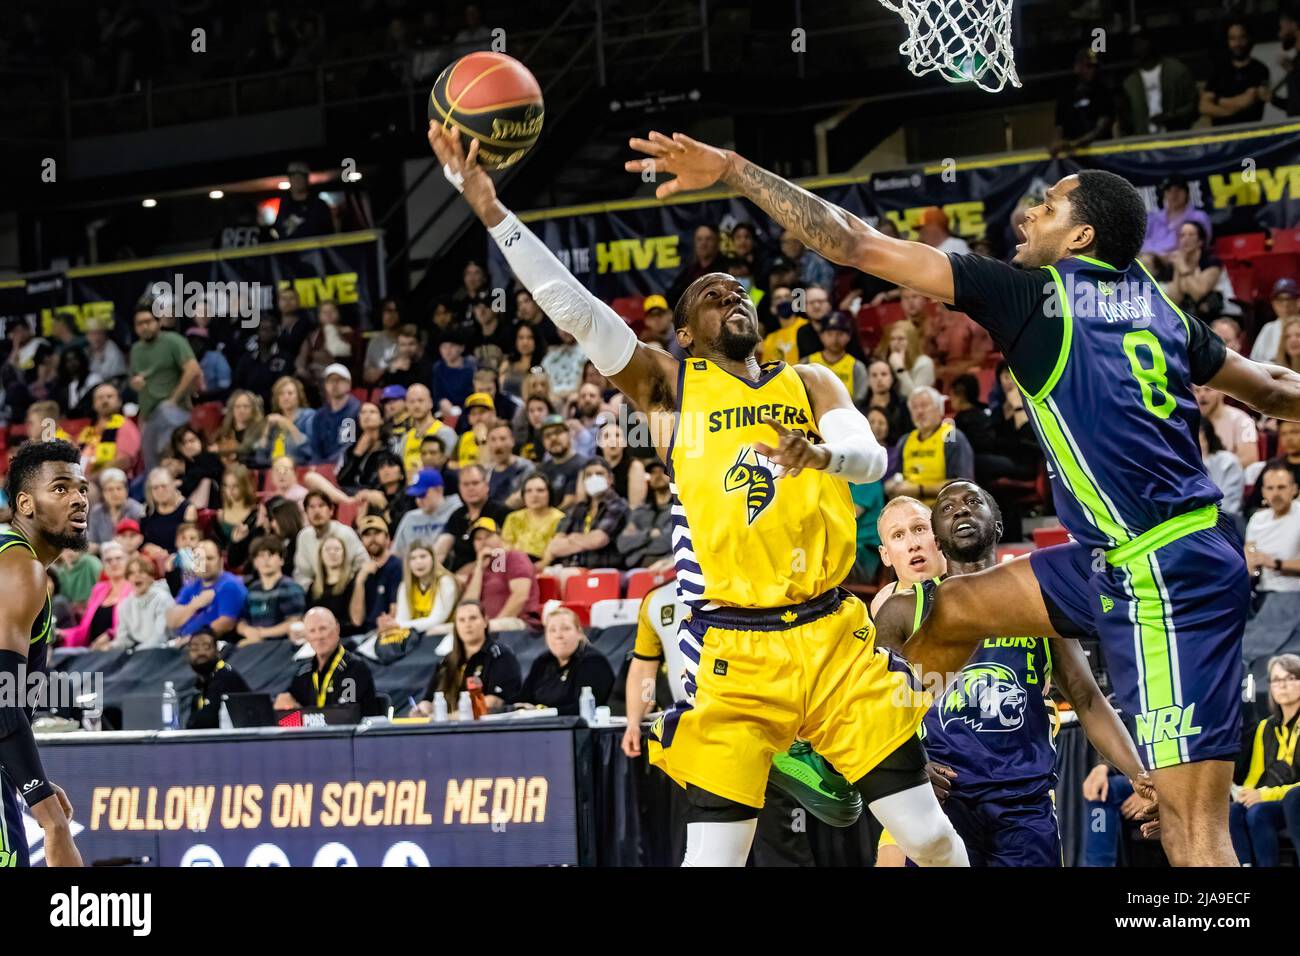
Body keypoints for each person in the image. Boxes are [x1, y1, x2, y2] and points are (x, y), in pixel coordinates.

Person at [629, 130, 1300, 865]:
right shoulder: (1160, 307)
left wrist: (732, 168)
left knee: (1192, 830)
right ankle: (869, 742)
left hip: (1172, 572)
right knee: (947, 609)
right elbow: (1272, 388)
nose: (1025, 216)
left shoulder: (1037, 296)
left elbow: (854, 240)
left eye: (1044, 206)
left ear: (1080, 235)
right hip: (1110, 555)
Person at [437, 123, 952, 869]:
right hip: (735, 651)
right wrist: (490, 210)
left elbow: (872, 461)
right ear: (683, 332)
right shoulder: (669, 387)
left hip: (833, 636)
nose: (731, 296)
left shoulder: (809, 380)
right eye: (712, 296)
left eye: (737, 291)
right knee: (711, 860)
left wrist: (823, 453)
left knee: (929, 837)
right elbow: (577, 312)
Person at [864, 481, 1152, 865]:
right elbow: (878, 710)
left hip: (1024, 805)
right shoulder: (902, 610)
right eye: (947, 508)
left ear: (998, 524)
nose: (962, 510)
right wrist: (909, 768)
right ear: (938, 537)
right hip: (946, 799)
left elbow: (1085, 698)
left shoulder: (1039, 605)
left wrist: (1138, 775)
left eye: (972, 502)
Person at [0, 441, 88, 867]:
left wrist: (33, 781)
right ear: (26, 504)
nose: (78, 498)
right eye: (60, 488)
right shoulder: (19, 567)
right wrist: (48, 814)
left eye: (82, 488)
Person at [1229, 653, 1300, 866]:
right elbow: (1256, 772)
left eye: (1290, 678)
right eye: (1277, 680)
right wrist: (1246, 793)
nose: (1283, 685)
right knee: (1234, 810)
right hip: (1271, 798)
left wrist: (1263, 795)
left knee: (1259, 812)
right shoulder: (1266, 727)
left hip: (1291, 798)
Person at [412, 601, 521, 716]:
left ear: (485, 621)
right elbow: (430, 700)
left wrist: (454, 717)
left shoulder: (500, 655)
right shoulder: (447, 661)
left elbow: (494, 701)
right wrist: (422, 709)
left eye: (473, 618)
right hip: (446, 728)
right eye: (461, 620)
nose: (467, 624)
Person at [1242, 464, 1300, 678]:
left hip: (1291, 596)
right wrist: (1248, 562)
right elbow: (1250, 553)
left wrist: (1274, 563)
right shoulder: (1257, 520)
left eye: (1282, 487)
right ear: (1263, 491)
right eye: (1271, 488)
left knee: (1249, 649)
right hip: (1258, 596)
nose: (1276, 493)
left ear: (1294, 489)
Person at [621, 580, 691, 758]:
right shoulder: (657, 600)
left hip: (741, 714)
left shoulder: (745, 583)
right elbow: (645, 667)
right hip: (687, 721)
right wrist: (634, 722)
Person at [274, 607, 380, 716]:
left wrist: (302, 714)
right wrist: (286, 706)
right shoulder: (303, 673)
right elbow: (286, 710)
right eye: (312, 631)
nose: (318, 636)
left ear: (336, 629)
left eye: (323, 628)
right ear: (307, 637)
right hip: (317, 733)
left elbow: (345, 716)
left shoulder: (354, 668)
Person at [515, 606, 616, 715]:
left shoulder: (593, 662)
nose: (558, 635)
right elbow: (522, 700)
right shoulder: (542, 662)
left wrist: (542, 712)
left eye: (566, 628)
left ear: (579, 633)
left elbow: (584, 709)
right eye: (552, 630)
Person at [885, 386, 975, 507]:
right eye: (914, 407)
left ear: (939, 409)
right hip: (910, 509)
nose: (919, 411)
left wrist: (919, 489)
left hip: (944, 509)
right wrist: (891, 485)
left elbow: (963, 486)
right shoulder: (905, 440)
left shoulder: (952, 437)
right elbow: (897, 476)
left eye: (924, 405)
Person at [540, 458, 630, 570]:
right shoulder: (578, 509)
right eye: (589, 475)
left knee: (566, 575)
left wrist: (571, 538)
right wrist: (584, 540)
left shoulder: (618, 506)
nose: (594, 478)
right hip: (572, 567)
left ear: (610, 479)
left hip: (603, 569)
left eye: (599, 474)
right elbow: (555, 546)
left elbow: (598, 540)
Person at [460, 517, 540, 628]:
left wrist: (493, 625)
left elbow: (520, 596)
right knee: (438, 631)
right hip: (483, 627)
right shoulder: (477, 570)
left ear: (500, 538)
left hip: (519, 622)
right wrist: (478, 568)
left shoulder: (514, 557)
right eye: (478, 539)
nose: (483, 542)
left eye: (488, 536)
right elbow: (468, 605)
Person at [1117, 29, 1198, 135]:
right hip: (1144, 146)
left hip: (1176, 142)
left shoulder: (1177, 71)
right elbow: (1125, 123)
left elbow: (1194, 106)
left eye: (1143, 40)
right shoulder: (1129, 84)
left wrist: (1171, 117)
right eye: (1135, 43)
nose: (1139, 46)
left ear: (1152, 41)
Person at [166, 539, 247, 640]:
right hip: (183, 642)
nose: (204, 563)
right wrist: (194, 605)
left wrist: (191, 640)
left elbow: (226, 624)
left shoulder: (230, 585)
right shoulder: (191, 586)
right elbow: (172, 621)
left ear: (221, 561)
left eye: (210, 558)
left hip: (211, 646)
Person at [434, 464, 509, 573]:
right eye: (466, 484)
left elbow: (507, 552)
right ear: (459, 488)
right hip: (459, 577)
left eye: (475, 483)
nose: (470, 488)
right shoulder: (456, 516)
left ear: (486, 485)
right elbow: (442, 550)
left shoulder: (502, 513)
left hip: (495, 573)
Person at [60, 540, 131, 649]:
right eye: (108, 560)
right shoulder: (98, 589)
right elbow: (84, 629)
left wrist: (110, 635)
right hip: (92, 650)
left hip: (119, 648)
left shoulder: (133, 588)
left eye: (118, 558)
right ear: (103, 565)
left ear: (128, 562)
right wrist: (62, 634)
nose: (114, 563)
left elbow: (133, 626)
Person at [237, 536, 306, 645]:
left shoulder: (290, 587)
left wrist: (261, 633)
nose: (266, 560)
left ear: (281, 560)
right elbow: (241, 620)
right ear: (254, 562)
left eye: (271, 555)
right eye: (261, 556)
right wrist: (247, 630)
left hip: (284, 645)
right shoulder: (252, 589)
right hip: (256, 644)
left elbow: (295, 621)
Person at [1201, 21, 1271, 127]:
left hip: (1250, 133)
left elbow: (1247, 102)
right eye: (1232, 39)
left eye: (1241, 38)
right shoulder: (1219, 69)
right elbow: (1204, 107)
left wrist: (1217, 100)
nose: (1237, 43)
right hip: (1222, 136)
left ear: (1249, 39)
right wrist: (1229, 111)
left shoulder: (1259, 69)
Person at [1163, 221, 1239, 319]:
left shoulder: (1211, 262)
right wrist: (1178, 269)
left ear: (1200, 241)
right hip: (1196, 317)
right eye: (1182, 235)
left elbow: (1197, 294)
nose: (1186, 239)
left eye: (1191, 235)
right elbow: (1174, 300)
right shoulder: (1178, 262)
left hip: (1224, 315)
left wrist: (1183, 268)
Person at [292, 491, 364, 591]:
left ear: (331, 511)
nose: (316, 511)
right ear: (306, 512)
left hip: (347, 589)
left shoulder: (346, 533)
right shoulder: (304, 536)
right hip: (316, 592)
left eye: (321, 506)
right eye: (311, 507)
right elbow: (302, 574)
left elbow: (363, 565)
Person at [1141, 175, 1214, 269]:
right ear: (1164, 194)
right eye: (1169, 191)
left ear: (1186, 193)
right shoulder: (1153, 218)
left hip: (1184, 264)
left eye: (1178, 190)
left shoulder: (1199, 217)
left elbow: (1203, 245)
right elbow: (1140, 244)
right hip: (1151, 263)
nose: (1173, 194)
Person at [1051, 48, 1114, 156]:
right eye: (1088, 66)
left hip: (1099, 154)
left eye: (1094, 67)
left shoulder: (1103, 93)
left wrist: (1074, 144)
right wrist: (1057, 144)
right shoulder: (1066, 95)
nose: (1092, 70)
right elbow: (1059, 127)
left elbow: (1100, 129)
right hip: (1072, 156)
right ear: (1077, 67)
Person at [184, 629, 251, 729]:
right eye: (195, 648)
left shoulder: (225, 676)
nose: (201, 652)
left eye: (206, 647)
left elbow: (208, 721)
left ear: (217, 651)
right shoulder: (201, 683)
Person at [391, 540, 458, 634]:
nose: (418, 562)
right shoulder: (405, 586)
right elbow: (401, 618)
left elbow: (437, 619)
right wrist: (399, 625)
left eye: (423, 556)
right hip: (415, 634)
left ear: (433, 559)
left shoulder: (445, 582)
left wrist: (399, 626)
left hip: (443, 634)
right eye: (413, 558)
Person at [617, 459, 674, 568]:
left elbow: (668, 542)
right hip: (636, 568)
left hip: (665, 566)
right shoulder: (640, 512)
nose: (658, 475)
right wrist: (649, 534)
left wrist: (639, 542)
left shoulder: (678, 509)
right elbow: (622, 543)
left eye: (662, 471)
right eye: (653, 472)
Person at [352, 515, 404, 633]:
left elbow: (394, 613)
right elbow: (357, 620)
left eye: (377, 533)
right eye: (367, 535)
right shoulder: (363, 571)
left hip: (389, 631)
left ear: (388, 538)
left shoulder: (397, 566)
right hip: (366, 632)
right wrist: (360, 581)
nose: (372, 538)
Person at [78, 382, 141, 479]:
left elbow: (123, 461)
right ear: (93, 404)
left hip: (111, 480)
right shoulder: (87, 431)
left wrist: (94, 476)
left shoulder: (125, 426)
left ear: (119, 401)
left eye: (109, 396)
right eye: (100, 398)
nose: (105, 401)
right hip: (83, 478)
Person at [392, 468, 460, 557]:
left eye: (422, 495)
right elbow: (396, 555)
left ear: (439, 490)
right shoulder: (410, 517)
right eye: (416, 496)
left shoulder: (457, 511)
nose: (418, 500)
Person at [111, 556, 174, 650]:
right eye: (132, 573)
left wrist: (135, 652)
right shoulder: (125, 605)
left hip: (163, 650)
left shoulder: (162, 598)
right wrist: (109, 647)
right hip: (139, 651)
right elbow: (123, 639)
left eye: (141, 571)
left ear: (151, 576)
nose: (136, 575)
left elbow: (160, 637)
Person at [803, 312, 867, 404]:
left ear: (848, 337)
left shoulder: (856, 367)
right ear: (821, 336)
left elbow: (859, 399)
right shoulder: (807, 363)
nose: (835, 339)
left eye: (840, 334)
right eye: (830, 334)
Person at [502, 474, 566, 562]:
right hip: (515, 565)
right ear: (523, 495)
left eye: (540, 490)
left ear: (550, 493)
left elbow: (555, 552)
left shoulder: (561, 519)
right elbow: (505, 546)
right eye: (528, 491)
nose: (534, 495)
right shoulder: (513, 518)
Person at [256, 376, 316, 466]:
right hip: (275, 472)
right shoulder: (274, 423)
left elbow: (309, 451)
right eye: (281, 394)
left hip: (301, 471)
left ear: (299, 396)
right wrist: (266, 430)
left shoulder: (309, 416)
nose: (286, 397)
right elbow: (260, 459)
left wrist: (287, 424)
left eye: (290, 393)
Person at [1196, 384, 1258, 470]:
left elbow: (1249, 459)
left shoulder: (1243, 419)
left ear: (1222, 392)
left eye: (1208, 389)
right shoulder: (1187, 422)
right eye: (1197, 390)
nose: (1202, 394)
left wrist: (1218, 473)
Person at [308, 364, 361, 465]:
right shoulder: (319, 415)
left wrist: (327, 466)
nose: (334, 384)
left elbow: (346, 446)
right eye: (330, 381)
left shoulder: (354, 410)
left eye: (339, 380)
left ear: (349, 383)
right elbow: (315, 448)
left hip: (344, 466)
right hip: (322, 466)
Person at [534, 413, 588, 511]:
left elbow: (571, 502)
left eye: (558, 432)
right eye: (547, 435)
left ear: (569, 434)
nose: (553, 438)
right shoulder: (542, 469)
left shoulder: (582, 464)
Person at [140, 467, 198, 553]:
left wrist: (165, 554)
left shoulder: (187, 510)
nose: (160, 491)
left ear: (173, 485)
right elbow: (142, 540)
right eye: (155, 488)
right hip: (152, 558)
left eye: (164, 486)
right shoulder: (148, 509)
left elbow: (191, 544)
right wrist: (146, 547)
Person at [86, 468, 144, 555]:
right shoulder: (97, 512)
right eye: (110, 489)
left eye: (119, 488)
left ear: (126, 491)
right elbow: (92, 542)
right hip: (104, 557)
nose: (115, 493)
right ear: (103, 493)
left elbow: (139, 541)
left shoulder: (137, 510)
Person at [273, 161, 334, 239]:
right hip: (290, 249)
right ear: (290, 179)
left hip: (316, 247)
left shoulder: (319, 205)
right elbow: (279, 230)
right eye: (294, 177)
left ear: (306, 179)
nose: (297, 181)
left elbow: (328, 232)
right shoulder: (285, 206)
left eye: (300, 177)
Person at [1200, 419, 1245, 525]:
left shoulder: (1228, 462)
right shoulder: (1179, 465)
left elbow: (1229, 506)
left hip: (1226, 522)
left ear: (1208, 439)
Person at [877, 318, 934, 399]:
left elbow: (917, 398)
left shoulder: (924, 363)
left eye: (901, 339)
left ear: (912, 341)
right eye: (892, 339)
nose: (895, 343)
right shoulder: (888, 362)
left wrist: (900, 369)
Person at [1250, 279, 1300, 365]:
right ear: (1273, 303)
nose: (1285, 305)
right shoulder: (1268, 328)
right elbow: (1254, 362)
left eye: (1290, 299)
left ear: (1298, 301)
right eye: (1280, 300)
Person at [363, 298, 403, 386]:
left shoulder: (407, 338)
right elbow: (368, 376)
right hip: (382, 390)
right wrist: (388, 369)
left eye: (395, 311)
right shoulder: (375, 341)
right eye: (387, 311)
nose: (391, 315)